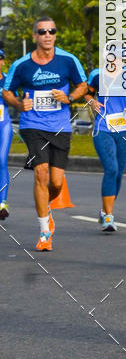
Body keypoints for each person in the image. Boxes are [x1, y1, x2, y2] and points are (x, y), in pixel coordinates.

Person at [1, 17, 87, 251]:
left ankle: (45, 208)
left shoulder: (68, 60)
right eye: (42, 31)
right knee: (41, 173)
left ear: (55, 35)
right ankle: (44, 231)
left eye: (51, 31)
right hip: (33, 125)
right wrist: (19, 105)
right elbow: (7, 91)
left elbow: (83, 85)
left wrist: (68, 98)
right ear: (35, 36)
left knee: (56, 183)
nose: (47, 35)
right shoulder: (22, 65)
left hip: (60, 127)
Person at [87, 50, 126, 232]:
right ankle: (109, 217)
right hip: (104, 129)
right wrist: (92, 102)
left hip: (125, 131)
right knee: (111, 169)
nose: (115, 61)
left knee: (118, 173)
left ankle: (104, 210)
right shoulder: (97, 74)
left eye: (119, 57)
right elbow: (87, 93)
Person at [0, 49, 13, 220]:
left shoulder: (8, 80)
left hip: (4, 125)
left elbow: (17, 99)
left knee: (2, 160)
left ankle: (2, 203)